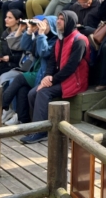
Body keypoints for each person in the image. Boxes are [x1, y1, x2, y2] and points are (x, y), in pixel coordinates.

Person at [21, 11, 89, 144]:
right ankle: (35, 127)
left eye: (62, 19)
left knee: (43, 92)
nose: (58, 21)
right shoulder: (60, 39)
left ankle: (40, 132)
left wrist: (52, 80)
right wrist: (47, 76)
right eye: (58, 18)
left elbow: (71, 67)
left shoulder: (79, 40)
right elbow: (52, 62)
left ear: (70, 22)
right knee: (32, 93)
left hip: (75, 80)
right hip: (60, 78)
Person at [1, 16, 58, 126]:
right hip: (37, 69)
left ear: (52, 26)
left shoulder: (55, 41)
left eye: (45, 24)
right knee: (22, 89)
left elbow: (43, 52)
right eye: (41, 23)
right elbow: (25, 46)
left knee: (19, 78)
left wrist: (41, 35)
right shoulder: (41, 37)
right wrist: (29, 31)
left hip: (44, 73)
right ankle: (23, 119)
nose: (42, 25)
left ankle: (4, 105)